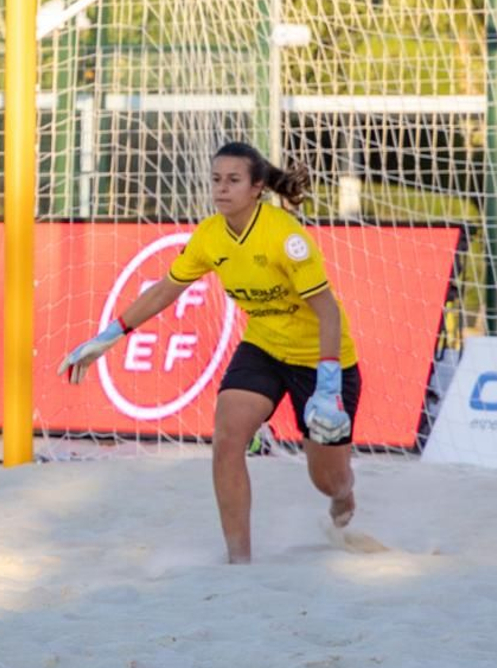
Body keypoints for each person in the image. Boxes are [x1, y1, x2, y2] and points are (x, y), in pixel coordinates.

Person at [59, 141, 366, 563]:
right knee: (227, 438)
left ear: (257, 187)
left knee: (327, 480)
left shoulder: (286, 237)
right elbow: (166, 289)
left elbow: (328, 311)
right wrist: (107, 337)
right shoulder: (209, 235)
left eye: (234, 180)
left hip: (321, 358)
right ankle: (239, 561)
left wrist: (328, 386)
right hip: (264, 347)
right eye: (217, 180)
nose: (222, 189)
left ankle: (345, 493)